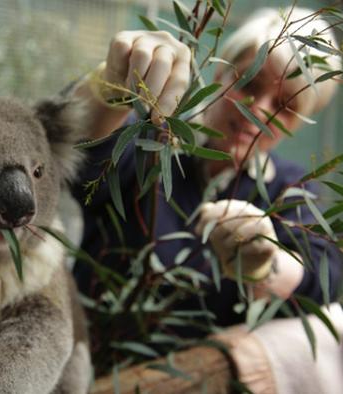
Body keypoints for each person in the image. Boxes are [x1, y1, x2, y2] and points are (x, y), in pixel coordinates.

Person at [63, 6, 343, 390]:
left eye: (284, 105)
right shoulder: (151, 142)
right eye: (248, 83)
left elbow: (327, 278)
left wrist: (269, 263)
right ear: (220, 73)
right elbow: (77, 161)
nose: (256, 112)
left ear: (298, 124)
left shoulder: (289, 193)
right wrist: (107, 90)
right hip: (82, 368)